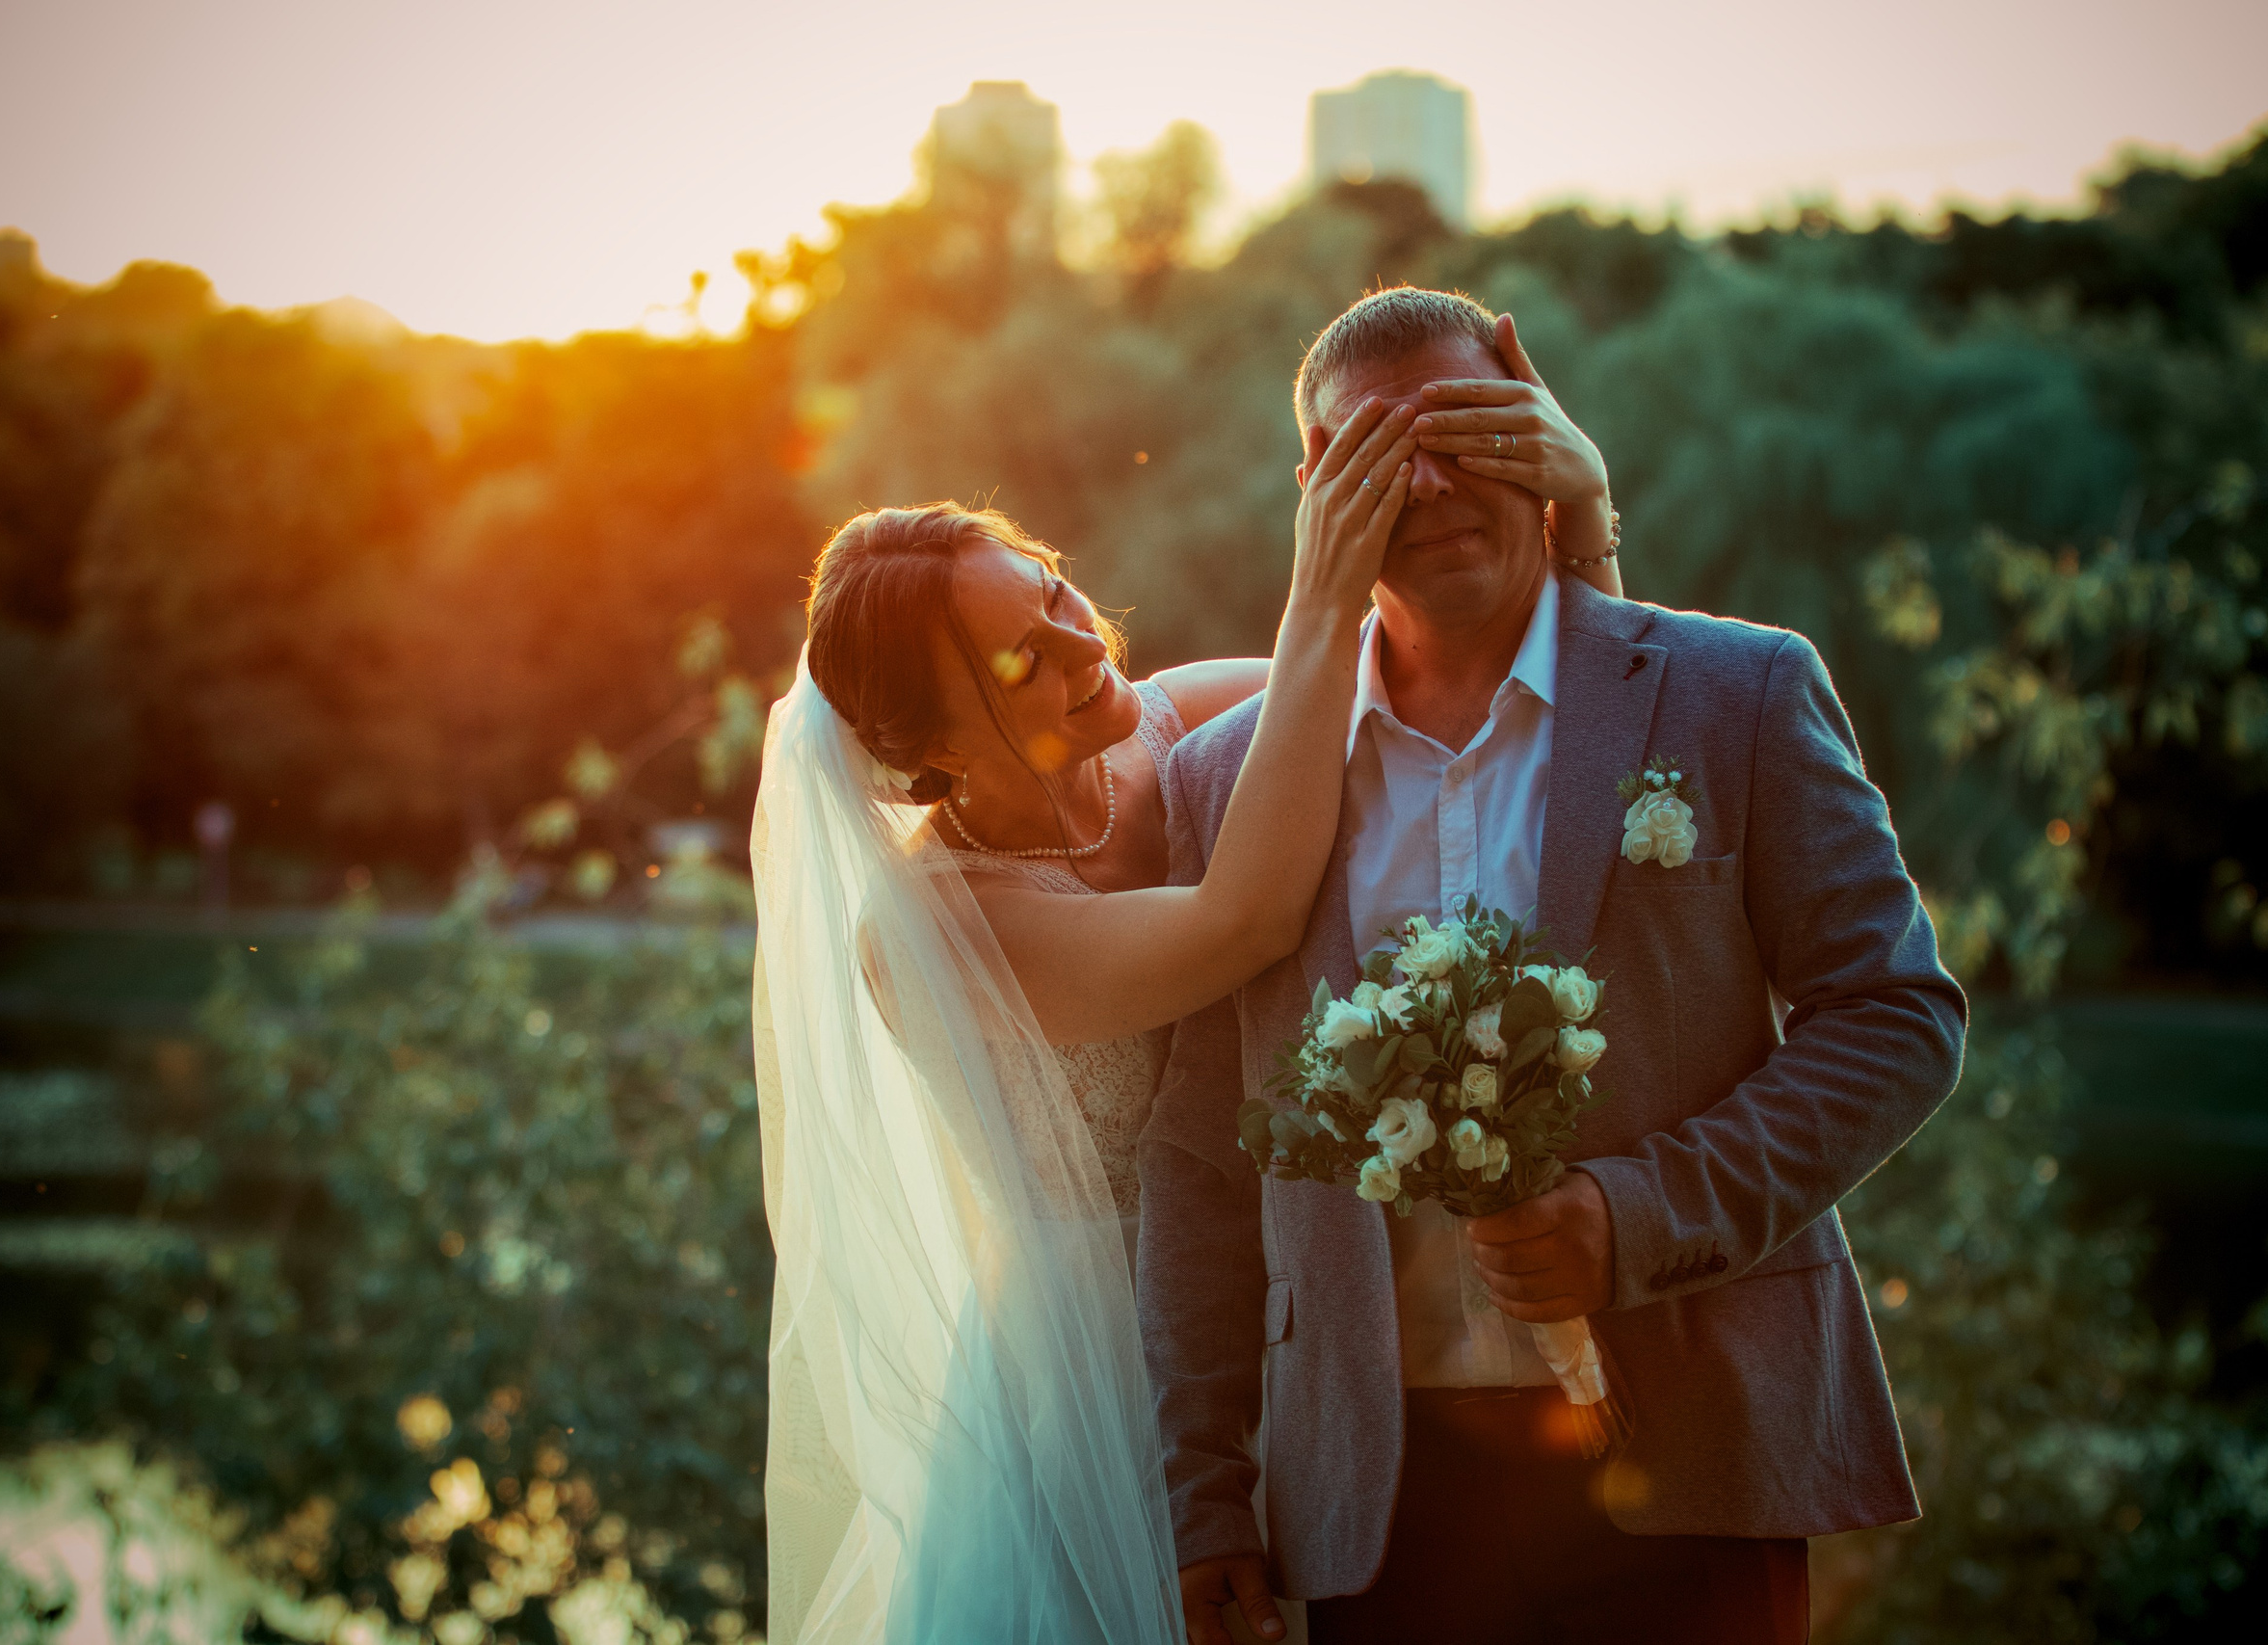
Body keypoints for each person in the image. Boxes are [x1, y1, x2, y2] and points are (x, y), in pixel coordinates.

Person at [749, 325, 1628, 1642]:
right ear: (926, 749)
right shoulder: (942, 922)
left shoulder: (1194, 720)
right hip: (1104, 1375)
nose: (1074, 641)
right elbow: (1244, 925)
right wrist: (1320, 594)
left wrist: (1579, 516)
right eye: (1017, 659)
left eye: (1047, 587)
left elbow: (1502, 710)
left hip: (1306, 1296)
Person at [1138, 285, 1969, 1645]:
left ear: (1545, 439)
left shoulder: (1737, 693)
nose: (1430, 479)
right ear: (1312, 488)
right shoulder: (1221, 782)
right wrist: (1205, 1496)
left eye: (1473, 428)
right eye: (1376, 450)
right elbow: (1197, 1164)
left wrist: (1633, 1214)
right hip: (1375, 1496)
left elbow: (1895, 1015)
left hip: (1695, 1452)